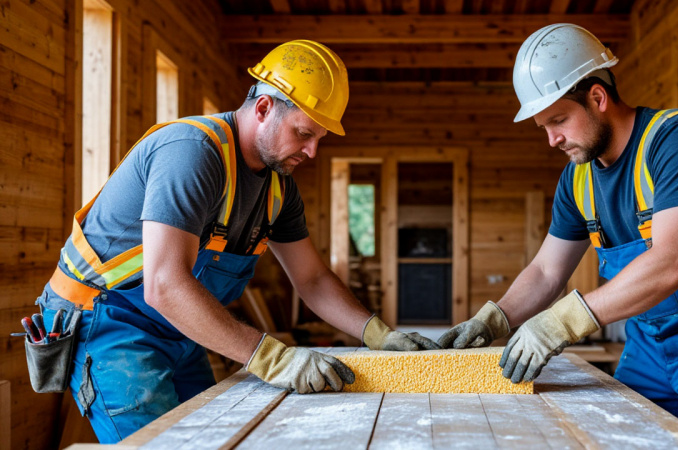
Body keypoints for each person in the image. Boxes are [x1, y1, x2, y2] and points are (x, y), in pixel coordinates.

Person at [33, 40, 437, 443]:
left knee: (213, 436)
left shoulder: (279, 187)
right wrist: (274, 359)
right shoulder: (192, 153)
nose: (312, 151)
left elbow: (311, 279)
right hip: (109, 325)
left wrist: (377, 333)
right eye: (303, 133)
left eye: (319, 138)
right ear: (263, 108)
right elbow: (164, 284)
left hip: (180, 327)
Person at [438, 24, 678, 449]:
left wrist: (559, 324)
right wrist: (494, 319)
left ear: (597, 97)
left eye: (558, 121)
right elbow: (548, 270)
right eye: (543, 127)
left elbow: (672, 260)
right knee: (623, 438)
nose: (552, 139)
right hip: (650, 334)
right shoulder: (578, 179)